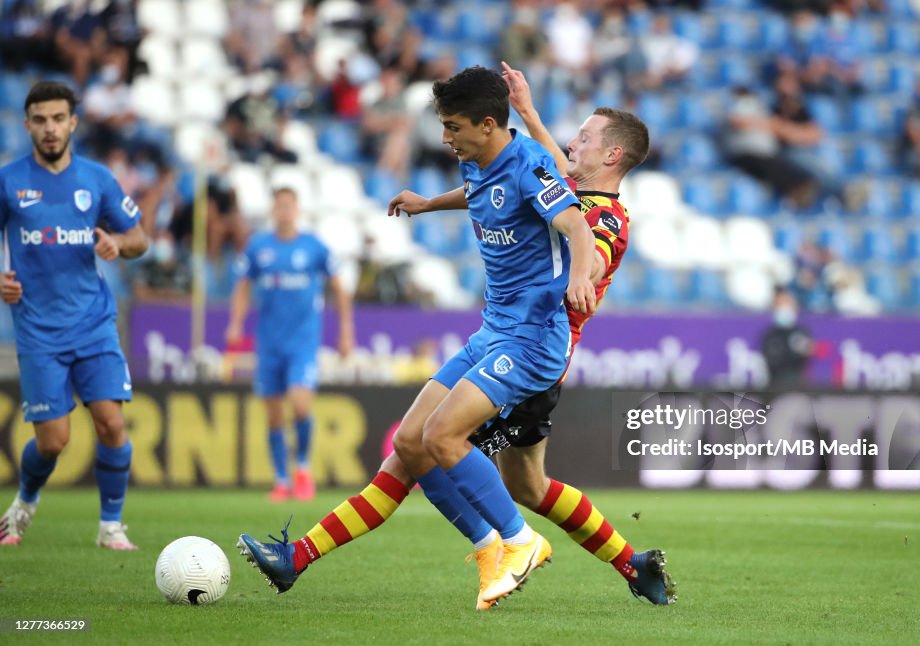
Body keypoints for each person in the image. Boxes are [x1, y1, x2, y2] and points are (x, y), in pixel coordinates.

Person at [237, 65, 675, 608]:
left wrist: (583, 275)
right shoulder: (547, 179)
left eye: (584, 138)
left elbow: (578, 227)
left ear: (612, 156)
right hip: (502, 336)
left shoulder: (605, 217)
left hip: (535, 353)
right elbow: (515, 180)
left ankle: (500, 546)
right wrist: (522, 119)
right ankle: (631, 564)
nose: (570, 142)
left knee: (425, 450)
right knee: (519, 484)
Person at [0, 81, 148, 549]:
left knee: (111, 421)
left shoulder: (97, 179)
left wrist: (116, 244)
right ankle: (24, 502)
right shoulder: (9, 181)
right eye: (40, 120)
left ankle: (111, 526)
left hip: (93, 323)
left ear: (73, 123)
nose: (50, 128)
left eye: (58, 118)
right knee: (53, 442)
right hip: (38, 331)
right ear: (27, 125)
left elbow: (139, 239)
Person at [226, 187, 356, 502]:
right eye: (279, 205)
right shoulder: (259, 247)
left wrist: (345, 331)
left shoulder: (313, 248)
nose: (284, 211)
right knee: (273, 415)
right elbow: (243, 286)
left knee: (299, 404)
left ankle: (302, 468)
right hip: (269, 342)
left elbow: (339, 288)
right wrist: (235, 323)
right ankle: (281, 480)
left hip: (302, 343)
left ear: (297, 210)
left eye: (289, 205)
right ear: (273, 210)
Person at [760, 287, 815, 387]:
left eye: (788, 303)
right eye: (780, 305)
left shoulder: (801, 332)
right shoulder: (770, 335)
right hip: (776, 387)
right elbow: (772, 362)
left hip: (798, 386)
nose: (785, 308)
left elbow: (807, 356)